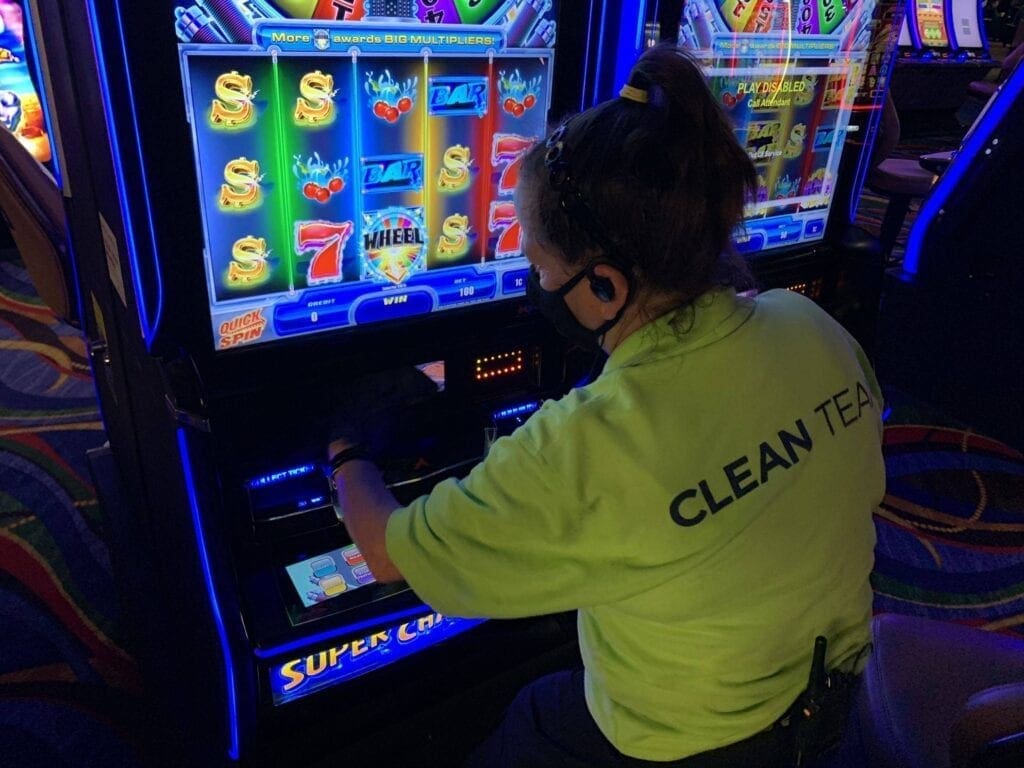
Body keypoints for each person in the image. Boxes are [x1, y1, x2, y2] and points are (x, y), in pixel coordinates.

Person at [327, 44, 884, 767]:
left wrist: (345, 453)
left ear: (605, 287)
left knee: (528, 716)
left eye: (538, 263)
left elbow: (388, 552)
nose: (531, 276)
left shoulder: (591, 443)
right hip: (835, 693)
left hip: (698, 738)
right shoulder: (811, 326)